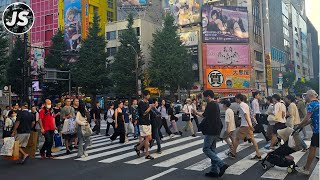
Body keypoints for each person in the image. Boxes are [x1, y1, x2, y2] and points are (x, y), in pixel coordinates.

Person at [193, 90, 228, 177]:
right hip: (216, 130)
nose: (204, 99)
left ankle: (221, 164)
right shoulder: (215, 104)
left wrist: (195, 112)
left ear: (208, 96)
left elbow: (204, 115)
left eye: (204, 97)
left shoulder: (211, 104)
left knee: (206, 149)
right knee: (212, 150)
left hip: (211, 130)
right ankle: (214, 171)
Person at [228, 94, 262, 160]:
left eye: (236, 98)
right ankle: (258, 154)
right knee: (252, 139)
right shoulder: (245, 104)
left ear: (238, 99)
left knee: (237, 138)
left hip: (245, 126)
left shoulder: (241, 105)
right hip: (247, 125)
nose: (235, 100)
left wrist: (249, 125)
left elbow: (246, 115)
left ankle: (233, 153)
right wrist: (250, 125)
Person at [296, 90, 319, 175]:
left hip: (317, 131)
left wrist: (300, 124)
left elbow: (306, 118)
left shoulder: (311, 104)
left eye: (305, 96)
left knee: (312, 149)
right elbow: (311, 119)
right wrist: (303, 125)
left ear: (309, 95)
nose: (305, 98)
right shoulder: (318, 103)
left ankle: (306, 169)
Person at [135, 90, 154, 160]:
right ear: (145, 95)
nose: (149, 96)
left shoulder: (147, 102)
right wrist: (150, 107)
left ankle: (138, 148)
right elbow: (143, 113)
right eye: (148, 95)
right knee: (147, 138)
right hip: (143, 122)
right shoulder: (141, 103)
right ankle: (147, 154)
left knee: (149, 138)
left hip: (147, 122)